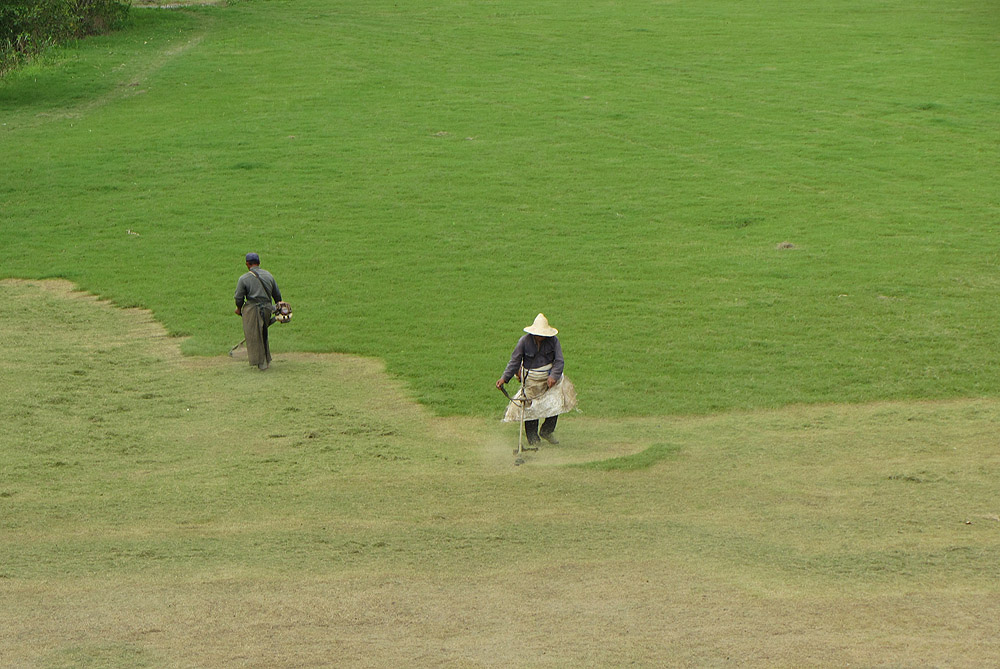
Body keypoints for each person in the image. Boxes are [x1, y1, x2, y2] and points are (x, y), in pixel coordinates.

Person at [496, 313, 578, 445]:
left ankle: (547, 431)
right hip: (531, 380)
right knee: (530, 408)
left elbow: (559, 361)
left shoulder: (554, 341)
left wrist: (553, 376)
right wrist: (504, 378)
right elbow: (515, 361)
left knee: (554, 404)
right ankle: (533, 438)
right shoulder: (523, 341)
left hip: (549, 379)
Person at [234, 252, 283, 370]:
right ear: (259, 262)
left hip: (252, 310)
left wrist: (239, 309)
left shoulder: (244, 278)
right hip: (267, 309)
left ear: (247, 264)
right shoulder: (269, 275)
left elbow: (238, 298)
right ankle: (266, 359)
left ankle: (260, 362)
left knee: (254, 336)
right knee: (263, 334)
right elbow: (277, 296)